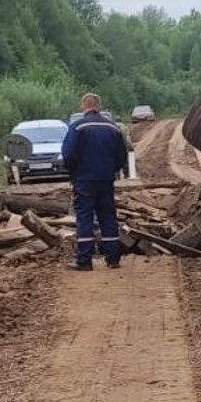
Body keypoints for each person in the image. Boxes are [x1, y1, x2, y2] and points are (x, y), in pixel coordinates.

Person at [61, 92, 128, 271]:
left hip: (84, 180)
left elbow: (68, 155)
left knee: (85, 218)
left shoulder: (77, 127)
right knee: (108, 217)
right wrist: (111, 170)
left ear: (83, 106)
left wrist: (74, 172)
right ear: (99, 105)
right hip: (106, 179)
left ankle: (84, 260)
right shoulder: (113, 128)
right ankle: (113, 258)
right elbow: (122, 155)